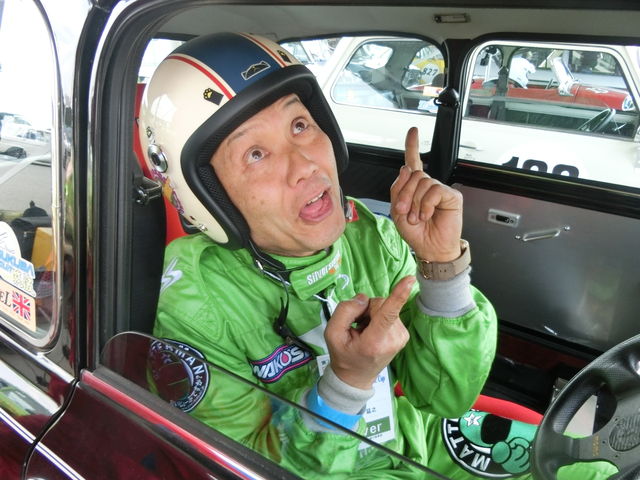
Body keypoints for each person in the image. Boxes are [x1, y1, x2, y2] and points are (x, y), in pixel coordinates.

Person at [139, 33, 615, 479]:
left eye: (300, 125)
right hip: (329, 468)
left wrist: (443, 270)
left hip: (412, 441)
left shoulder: (368, 235)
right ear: (206, 194)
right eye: (256, 154)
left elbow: (443, 396)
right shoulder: (193, 304)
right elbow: (235, 467)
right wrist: (345, 384)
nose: (306, 164)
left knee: (594, 468)